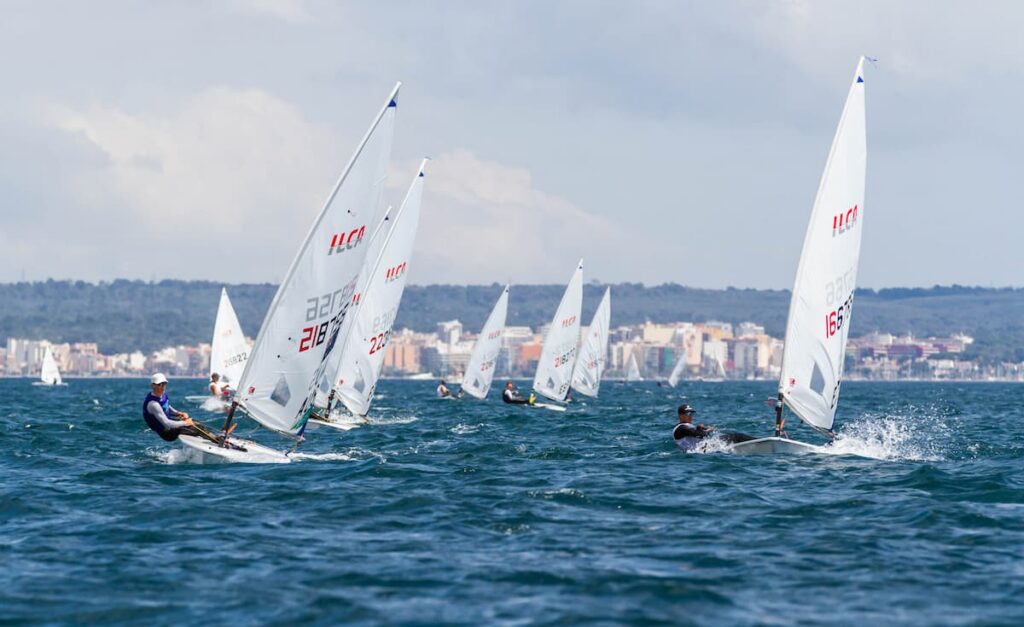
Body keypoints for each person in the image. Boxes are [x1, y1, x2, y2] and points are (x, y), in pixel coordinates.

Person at [143, 373, 203, 442]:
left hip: (170, 425)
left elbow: (167, 406)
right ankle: (208, 442)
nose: (163, 387)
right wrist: (185, 423)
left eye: (164, 384)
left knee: (197, 423)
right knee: (194, 429)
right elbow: (167, 423)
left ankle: (215, 438)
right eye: (159, 384)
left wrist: (178, 413)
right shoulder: (153, 404)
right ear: (153, 386)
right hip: (166, 433)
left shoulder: (162, 395)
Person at [672, 403, 756, 448]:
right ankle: (758, 442)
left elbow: (695, 433)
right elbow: (701, 435)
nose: (690, 416)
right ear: (681, 416)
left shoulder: (685, 427)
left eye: (691, 414)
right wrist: (704, 430)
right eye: (688, 414)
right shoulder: (680, 429)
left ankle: (755, 443)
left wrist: (700, 428)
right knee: (736, 436)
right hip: (704, 449)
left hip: (705, 448)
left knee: (730, 435)